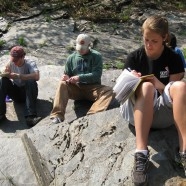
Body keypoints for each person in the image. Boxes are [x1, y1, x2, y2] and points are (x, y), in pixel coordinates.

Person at [119, 15, 186, 185]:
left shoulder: (174, 58)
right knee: (146, 87)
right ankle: (141, 154)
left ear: (164, 38)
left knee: (181, 86)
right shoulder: (135, 57)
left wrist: (159, 84)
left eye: (154, 41)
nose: (149, 45)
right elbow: (120, 95)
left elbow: (174, 94)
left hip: (163, 114)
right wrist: (130, 79)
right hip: (136, 113)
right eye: (146, 39)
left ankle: (184, 152)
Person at [50, 33, 115, 124]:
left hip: (93, 89)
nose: (81, 50)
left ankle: (93, 115)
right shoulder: (71, 58)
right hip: (77, 88)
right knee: (62, 84)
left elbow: (96, 75)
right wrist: (66, 78)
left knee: (109, 91)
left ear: (89, 45)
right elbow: (67, 74)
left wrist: (79, 78)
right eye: (79, 48)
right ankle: (57, 115)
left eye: (83, 48)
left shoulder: (96, 56)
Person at [0, 46, 42, 126]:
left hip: (28, 92)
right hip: (16, 93)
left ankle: (31, 116)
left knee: (30, 81)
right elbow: (6, 70)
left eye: (16, 60)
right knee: (3, 81)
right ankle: (1, 114)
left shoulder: (30, 63)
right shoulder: (11, 63)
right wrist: (5, 73)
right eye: (13, 60)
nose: (14, 62)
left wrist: (19, 76)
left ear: (23, 57)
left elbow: (37, 76)